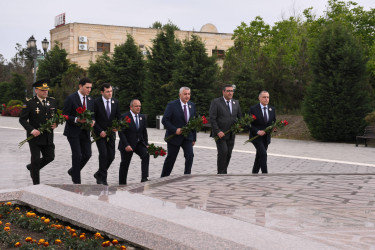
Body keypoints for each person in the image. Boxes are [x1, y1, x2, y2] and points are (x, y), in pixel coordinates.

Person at [19, 79, 57, 185]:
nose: (45, 92)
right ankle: (36, 185)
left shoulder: (52, 101)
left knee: (50, 157)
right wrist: (31, 130)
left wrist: (56, 124)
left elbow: (55, 117)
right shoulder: (29, 103)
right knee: (35, 160)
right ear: (36, 90)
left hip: (48, 136)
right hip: (35, 137)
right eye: (42, 90)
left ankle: (31, 168)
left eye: (46, 90)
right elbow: (22, 119)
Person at [63, 77, 95, 184]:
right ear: (80, 86)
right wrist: (77, 119)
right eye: (87, 87)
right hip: (73, 131)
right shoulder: (71, 98)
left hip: (85, 131)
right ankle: (77, 182)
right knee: (77, 155)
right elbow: (65, 115)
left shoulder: (90, 99)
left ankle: (73, 171)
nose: (89, 90)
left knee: (87, 154)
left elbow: (93, 114)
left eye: (90, 88)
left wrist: (93, 121)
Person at [161, 87, 196, 177]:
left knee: (190, 156)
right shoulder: (172, 105)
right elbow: (165, 120)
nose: (187, 96)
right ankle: (163, 177)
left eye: (188, 94)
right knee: (171, 158)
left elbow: (194, 122)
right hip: (174, 137)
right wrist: (175, 129)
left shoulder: (192, 105)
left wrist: (194, 138)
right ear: (180, 94)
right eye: (185, 94)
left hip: (187, 137)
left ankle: (186, 176)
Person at [209, 84, 242, 174]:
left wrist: (240, 125)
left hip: (231, 134)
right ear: (223, 92)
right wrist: (218, 131)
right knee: (223, 152)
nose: (230, 93)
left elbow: (240, 117)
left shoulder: (236, 103)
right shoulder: (216, 102)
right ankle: (221, 173)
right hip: (220, 134)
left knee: (228, 154)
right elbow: (212, 118)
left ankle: (224, 172)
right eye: (228, 91)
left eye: (232, 91)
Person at [93, 83, 120, 185]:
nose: (110, 93)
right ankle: (102, 179)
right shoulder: (96, 102)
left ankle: (99, 173)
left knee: (111, 156)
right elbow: (93, 119)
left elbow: (118, 117)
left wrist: (117, 126)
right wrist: (100, 131)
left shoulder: (115, 102)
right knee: (103, 154)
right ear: (102, 92)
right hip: (100, 134)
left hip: (111, 133)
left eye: (111, 91)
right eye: (107, 91)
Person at [118, 99, 149, 184]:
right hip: (127, 144)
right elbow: (121, 133)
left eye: (139, 106)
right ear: (131, 107)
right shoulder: (124, 117)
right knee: (125, 163)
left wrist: (146, 144)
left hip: (139, 143)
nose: (138, 108)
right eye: (136, 106)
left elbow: (144, 132)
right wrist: (126, 145)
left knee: (146, 155)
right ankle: (122, 183)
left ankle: (144, 178)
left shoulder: (142, 117)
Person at [249, 90, 276, 174]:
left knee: (259, 156)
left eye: (267, 97)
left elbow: (273, 122)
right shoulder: (253, 109)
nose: (266, 99)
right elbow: (248, 124)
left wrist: (274, 128)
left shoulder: (272, 109)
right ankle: (265, 173)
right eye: (264, 97)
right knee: (263, 154)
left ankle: (254, 173)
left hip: (266, 137)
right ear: (259, 98)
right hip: (256, 137)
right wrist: (257, 131)